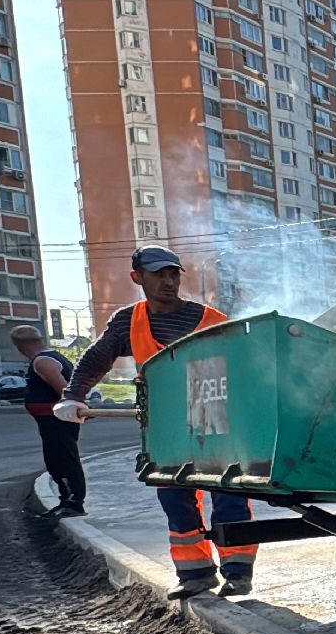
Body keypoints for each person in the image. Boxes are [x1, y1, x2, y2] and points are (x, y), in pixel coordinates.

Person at [54, 246, 258, 599]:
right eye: (159, 274)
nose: (168, 281)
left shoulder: (212, 320)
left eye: (173, 274)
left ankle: (237, 573)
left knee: (229, 496)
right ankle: (195, 575)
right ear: (138, 277)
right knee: (175, 499)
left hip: (217, 422)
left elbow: (246, 370)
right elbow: (95, 359)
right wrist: (74, 395)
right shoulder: (128, 321)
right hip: (166, 428)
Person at [12, 324, 86, 518]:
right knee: (58, 458)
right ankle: (68, 500)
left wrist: (76, 406)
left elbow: (64, 391)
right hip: (53, 420)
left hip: (57, 420)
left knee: (61, 460)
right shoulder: (51, 357)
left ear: (19, 345)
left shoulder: (43, 361)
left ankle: (72, 502)